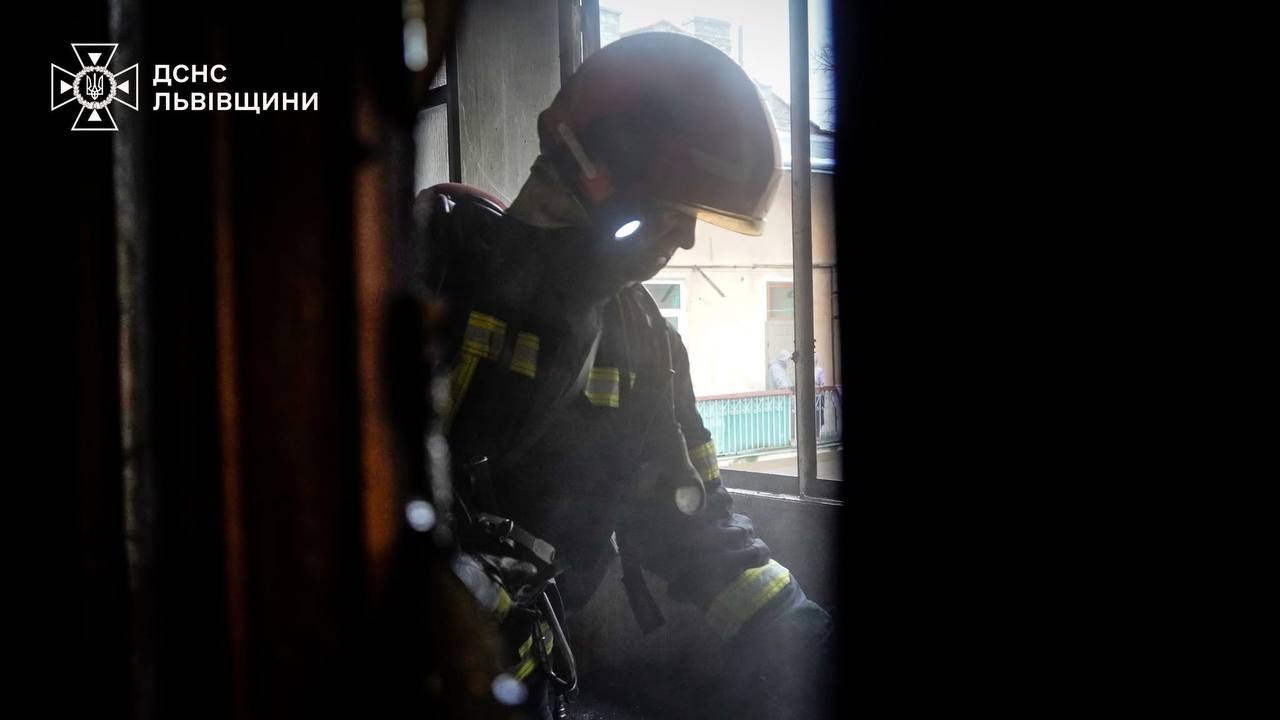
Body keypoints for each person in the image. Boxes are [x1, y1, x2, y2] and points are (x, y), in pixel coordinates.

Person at [415, 33, 832, 718]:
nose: (688, 239)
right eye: (677, 208)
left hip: (528, 690)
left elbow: (693, 526)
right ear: (602, 172)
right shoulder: (428, 273)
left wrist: (809, 639)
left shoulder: (644, 342)